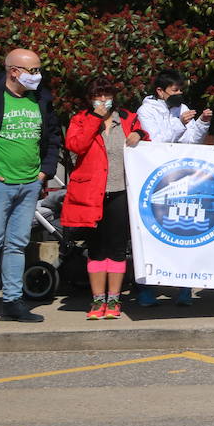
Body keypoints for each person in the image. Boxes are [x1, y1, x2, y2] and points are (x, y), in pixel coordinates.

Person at [0, 48, 62, 327]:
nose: (38, 76)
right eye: (33, 71)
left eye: (39, 70)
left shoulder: (40, 98)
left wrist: (45, 172)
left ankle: (12, 303)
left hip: (30, 183)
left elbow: (52, 135)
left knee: (17, 245)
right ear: (13, 71)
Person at [61, 79, 147, 320]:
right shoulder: (80, 119)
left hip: (120, 191)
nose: (103, 101)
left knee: (117, 248)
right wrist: (94, 119)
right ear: (90, 99)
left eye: (107, 96)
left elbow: (146, 141)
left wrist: (139, 134)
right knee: (96, 248)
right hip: (91, 192)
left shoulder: (127, 118)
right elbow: (75, 145)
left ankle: (114, 299)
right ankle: (98, 300)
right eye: (97, 97)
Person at [134, 68, 211, 306]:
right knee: (149, 233)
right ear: (160, 91)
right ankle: (146, 288)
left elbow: (188, 141)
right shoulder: (146, 110)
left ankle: (184, 286)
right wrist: (178, 122)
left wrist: (201, 124)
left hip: (179, 172)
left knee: (183, 232)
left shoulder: (182, 108)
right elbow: (155, 140)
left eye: (181, 90)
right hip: (153, 175)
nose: (179, 94)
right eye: (174, 90)